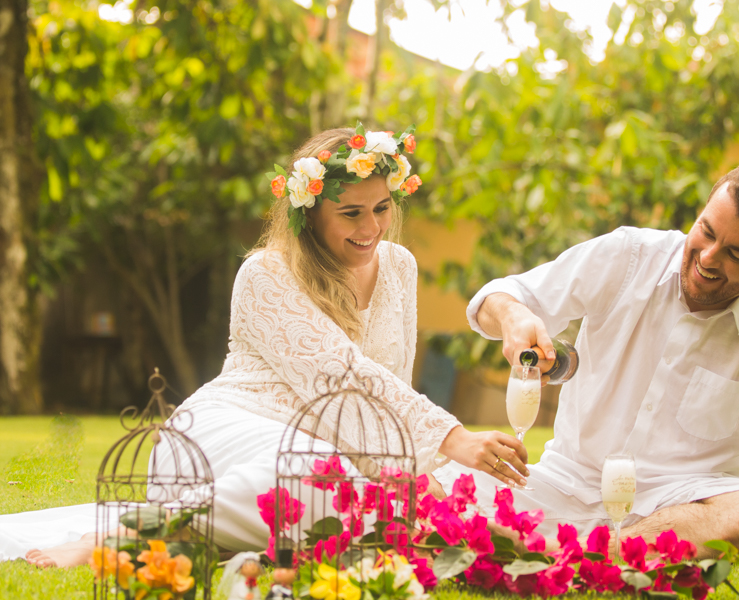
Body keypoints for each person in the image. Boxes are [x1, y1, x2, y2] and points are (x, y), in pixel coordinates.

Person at [3, 125, 528, 568]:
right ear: (310, 213)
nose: (371, 228)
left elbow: (391, 377)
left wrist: (418, 472)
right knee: (320, 478)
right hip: (226, 431)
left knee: (433, 496)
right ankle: (128, 534)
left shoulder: (399, 267)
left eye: (382, 208)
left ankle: (232, 523)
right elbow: (340, 378)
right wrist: (451, 436)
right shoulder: (266, 272)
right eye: (351, 213)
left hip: (332, 450)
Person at [434, 162, 739, 570]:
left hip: (681, 507)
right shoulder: (629, 256)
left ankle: (573, 556)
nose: (708, 258)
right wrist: (517, 316)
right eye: (706, 232)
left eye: (736, 254)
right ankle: (574, 553)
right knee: (437, 474)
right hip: (564, 484)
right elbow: (503, 296)